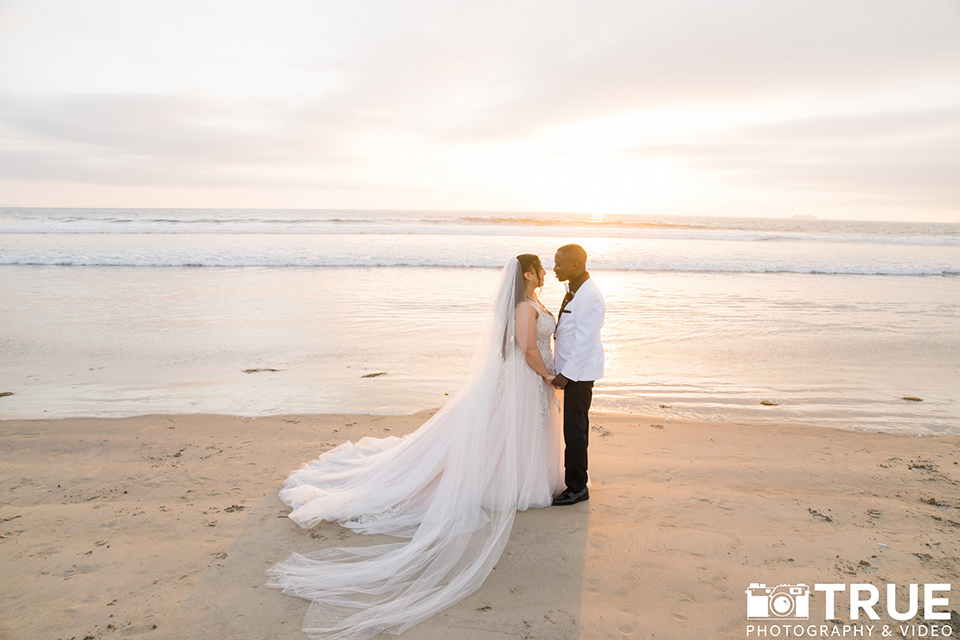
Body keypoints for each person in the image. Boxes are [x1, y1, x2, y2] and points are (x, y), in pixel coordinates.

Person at [266, 254, 563, 640]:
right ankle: (507, 482)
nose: (545, 272)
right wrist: (551, 376)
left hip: (530, 382)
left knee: (508, 437)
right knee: (500, 435)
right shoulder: (525, 307)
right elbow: (526, 350)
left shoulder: (535, 302)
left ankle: (522, 477)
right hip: (524, 380)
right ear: (527, 273)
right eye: (540, 267)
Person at [550, 244, 605, 506]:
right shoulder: (575, 287)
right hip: (572, 372)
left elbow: (586, 341)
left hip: (579, 376)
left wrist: (567, 375)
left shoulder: (589, 295)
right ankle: (574, 482)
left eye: (559, 264)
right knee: (572, 429)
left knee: (575, 431)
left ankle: (577, 487)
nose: (554, 268)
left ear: (575, 265)